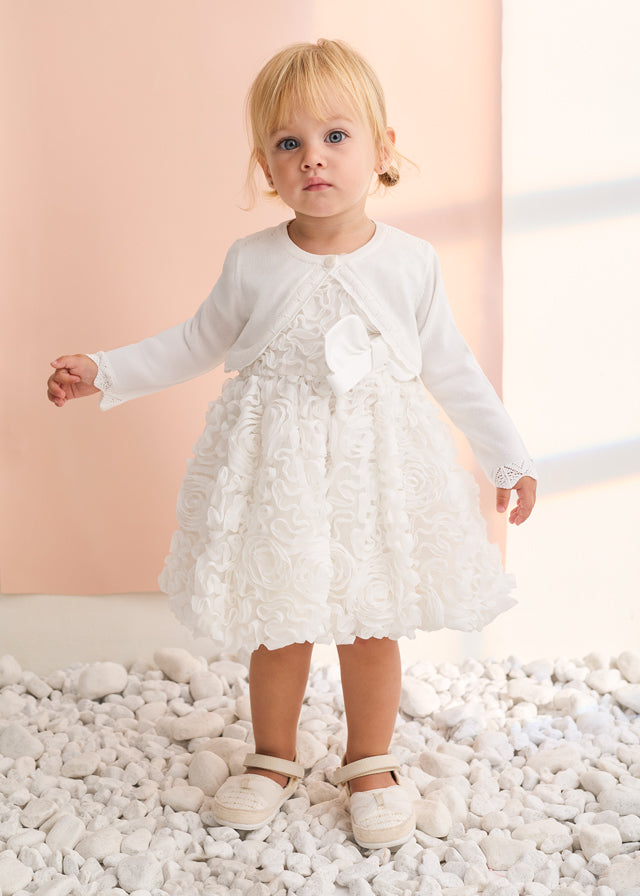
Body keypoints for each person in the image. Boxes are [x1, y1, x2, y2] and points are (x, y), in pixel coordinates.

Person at [47, 38, 537, 850]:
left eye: (336, 136)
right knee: (280, 622)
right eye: (289, 142)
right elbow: (194, 341)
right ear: (265, 166)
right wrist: (106, 370)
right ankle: (272, 756)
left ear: (383, 149)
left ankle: (370, 762)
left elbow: (452, 367)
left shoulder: (410, 263)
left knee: (371, 622)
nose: (314, 157)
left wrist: (508, 457)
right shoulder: (253, 262)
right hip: (282, 474)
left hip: (374, 473)